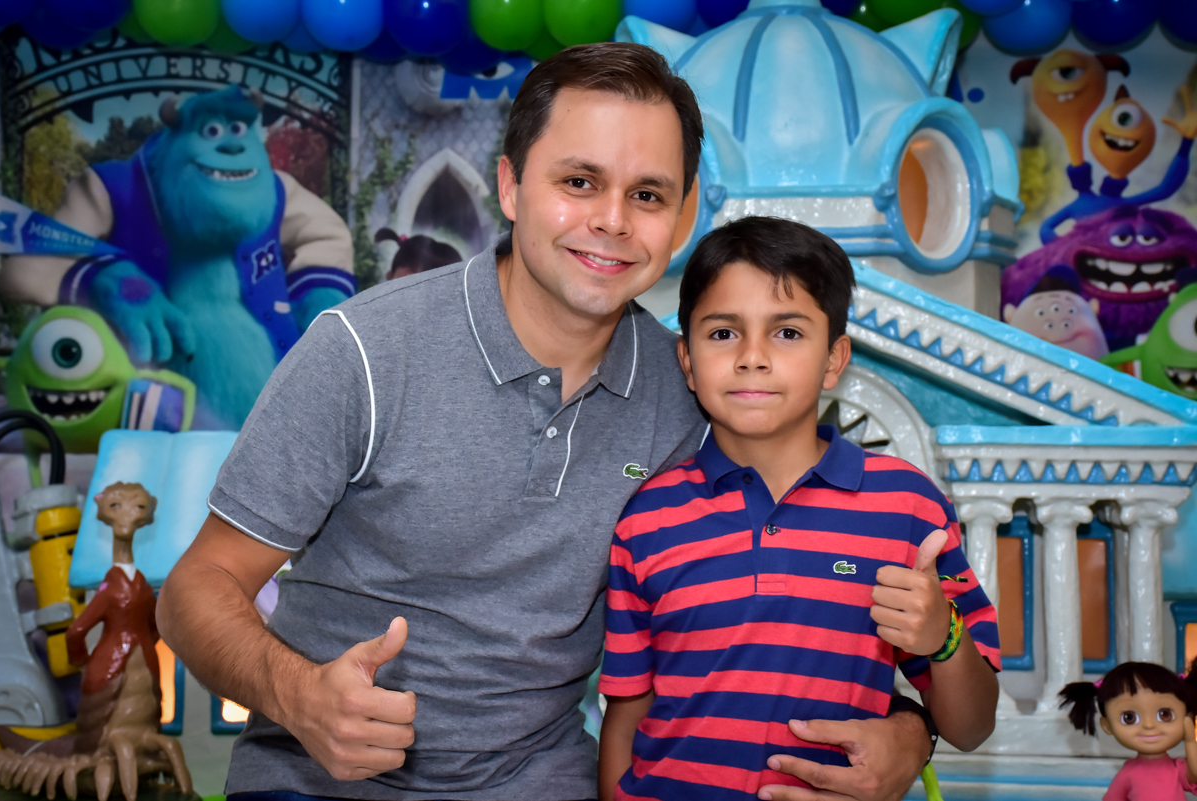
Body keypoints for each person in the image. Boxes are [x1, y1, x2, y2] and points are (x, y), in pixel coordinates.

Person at [157, 43, 936, 801]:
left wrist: (910, 727)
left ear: (686, 212)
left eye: (649, 194)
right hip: (317, 778)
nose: (612, 221)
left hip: (539, 776)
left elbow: (801, 579)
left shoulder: (693, 388)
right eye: (579, 181)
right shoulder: (363, 351)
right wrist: (300, 696)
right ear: (509, 184)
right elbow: (198, 587)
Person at [597, 218, 1001, 801]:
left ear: (834, 359)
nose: (753, 357)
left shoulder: (908, 507)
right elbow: (628, 709)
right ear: (686, 361)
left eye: (787, 333)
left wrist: (941, 635)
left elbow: (971, 727)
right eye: (722, 333)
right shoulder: (646, 518)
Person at [1059, 661, 1197, 801]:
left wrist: (1191, 742)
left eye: (1165, 714)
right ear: (1107, 726)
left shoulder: (1177, 768)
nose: (1149, 725)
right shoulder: (1128, 774)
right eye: (1129, 718)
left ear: (1188, 717)